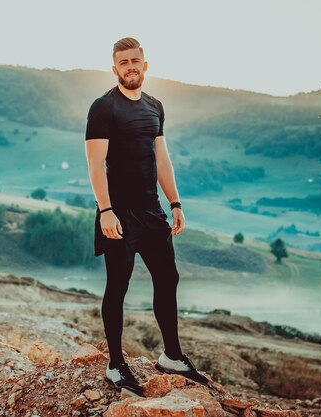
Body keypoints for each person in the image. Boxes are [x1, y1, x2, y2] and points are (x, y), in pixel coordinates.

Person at [84, 37, 209, 397]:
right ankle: (115, 366)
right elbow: (95, 164)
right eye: (123, 62)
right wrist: (105, 210)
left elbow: (162, 159)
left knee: (167, 278)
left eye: (135, 60)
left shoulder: (155, 106)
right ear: (115, 69)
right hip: (119, 214)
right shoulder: (103, 107)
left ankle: (171, 355)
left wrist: (175, 203)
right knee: (118, 288)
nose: (130, 67)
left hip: (153, 212)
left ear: (145, 64)